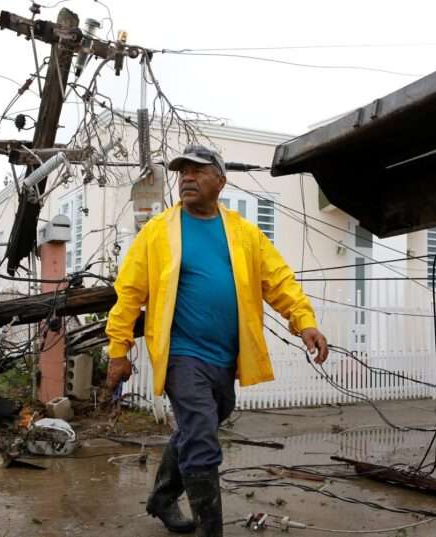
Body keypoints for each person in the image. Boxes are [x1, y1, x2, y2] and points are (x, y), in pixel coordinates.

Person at [103, 144, 328, 536]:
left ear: (220, 181)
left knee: (205, 422)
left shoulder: (243, 233)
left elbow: (278, 281)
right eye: (182, 172)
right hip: (181, 354)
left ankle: (161, 496)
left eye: (197, 171)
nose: (186, 177)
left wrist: (304, 321)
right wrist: (118, 350)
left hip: (224, 358)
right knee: (202, 437)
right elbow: (129, 293)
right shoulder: (159, 233)